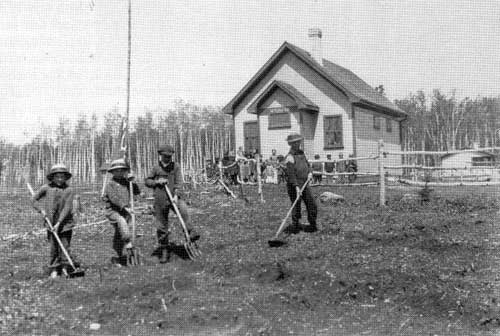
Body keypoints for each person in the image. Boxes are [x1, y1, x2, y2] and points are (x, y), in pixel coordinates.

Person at [145, 144, 200, 263]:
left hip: (174, 198)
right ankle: (164, 249)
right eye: (165, 156)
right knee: (161, 225)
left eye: (169, 157)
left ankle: (190, 233)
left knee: (183, 209)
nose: (167, 159)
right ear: (160, 156)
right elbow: (147, 181)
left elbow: (179, 182)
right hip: (160, 199)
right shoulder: (156, 168)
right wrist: (157, 181)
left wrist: (175, 195)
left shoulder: (175, 166)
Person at [31, 164, 78, 278]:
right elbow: (34, 200)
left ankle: (65, 267)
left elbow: (67, 207)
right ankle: (54, 268)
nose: (60, 179)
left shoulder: (69, 190)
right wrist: (41, 210)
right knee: (53, 247)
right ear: (52, 177)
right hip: (50, 222)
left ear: (66, 177)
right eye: (57, 177)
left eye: (62, 177)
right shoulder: (46, 188)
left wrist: (59, 223)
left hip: (65, 223)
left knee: (65, 245)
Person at [103, 158, 141, 266]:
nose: (119, 173)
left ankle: (119, 255)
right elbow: (114, 198)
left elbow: (137, 192)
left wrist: (133, 181)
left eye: (121, 170)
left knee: (122, 231)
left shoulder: (127, 182)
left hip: (126, 211)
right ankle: (128, 243)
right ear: (113, 172)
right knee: (122, 222)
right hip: (113, 211)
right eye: (116, 171)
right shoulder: (110, 184)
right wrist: (124, 206)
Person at [283, 133, 318, 233]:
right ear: (291, 144)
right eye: (294, 143)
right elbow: (291, 174)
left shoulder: (302, 153)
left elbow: (307, 164)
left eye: (298, 142)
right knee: (296, 205)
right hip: (294, 185)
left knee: (312, 203)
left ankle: (312, 224)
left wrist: (310, 172)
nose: (297, 144)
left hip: (305, 183)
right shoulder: (289, 157)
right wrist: (296, 186)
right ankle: (295, 225)